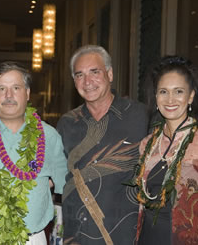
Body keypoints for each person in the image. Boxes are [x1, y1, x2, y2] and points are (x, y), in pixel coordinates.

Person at [0, 61, 67, 245]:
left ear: (27, 93)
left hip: (32, 240)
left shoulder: (48, 136)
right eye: (1, 88)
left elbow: (65, 187)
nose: (8, 95)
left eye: (16, 88)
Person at [56, 45, 148, 244]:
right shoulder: (67, 123)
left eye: (95, 72)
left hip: (125, 237)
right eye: (79, 75)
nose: (87, 81)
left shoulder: (140, 117)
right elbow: (56, 175)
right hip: (77, 236)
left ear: (110, 74)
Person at [132, 56, 198, 245]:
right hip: (148, 239)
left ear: (191, 95)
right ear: (156, 96)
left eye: (178, 91)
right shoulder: (147, 145)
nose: (170, 99)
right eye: (163, 92)